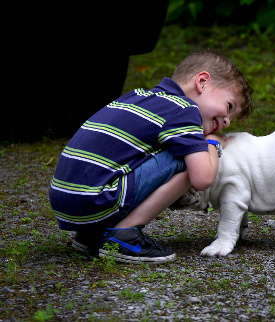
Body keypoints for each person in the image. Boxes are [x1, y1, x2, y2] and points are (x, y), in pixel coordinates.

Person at [49, 49, 253, 264]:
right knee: (186, 157)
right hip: (96, 199)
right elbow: (202, 179)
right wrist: (211, 143)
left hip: (66, 200)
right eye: (229, 107)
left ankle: (92, 235)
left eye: (231, 118)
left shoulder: (138, 97)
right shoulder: (184, 110)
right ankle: (123, 235)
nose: (228, 122)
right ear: (202, 82)